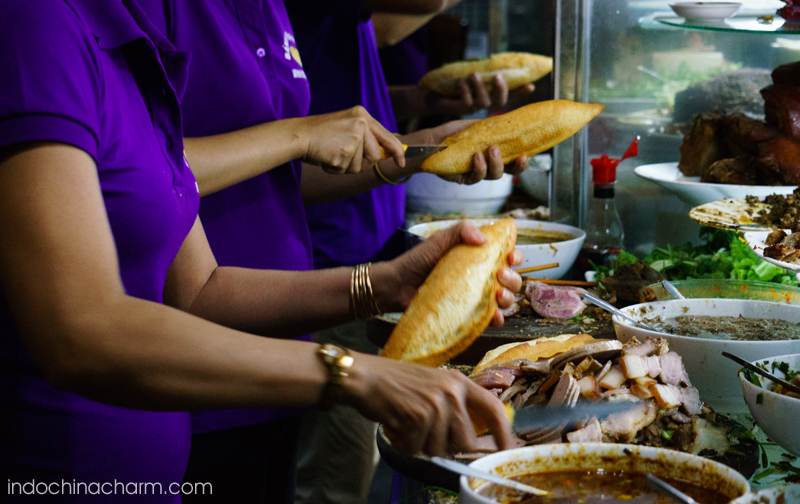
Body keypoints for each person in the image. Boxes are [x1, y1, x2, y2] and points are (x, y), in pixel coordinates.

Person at [0, 2, 522, 504]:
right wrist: (353, 373)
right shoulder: (32, 25)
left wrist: (387, 283)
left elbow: (200, 290)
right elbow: (80, 331)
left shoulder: (131, 34)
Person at [285, 1, 531, 503]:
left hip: (367, 262)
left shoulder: (349, 16)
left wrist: (425, 119)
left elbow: (345, 129)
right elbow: (293, 159)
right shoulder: (305, 14)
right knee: (335, 478)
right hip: (325, 265)